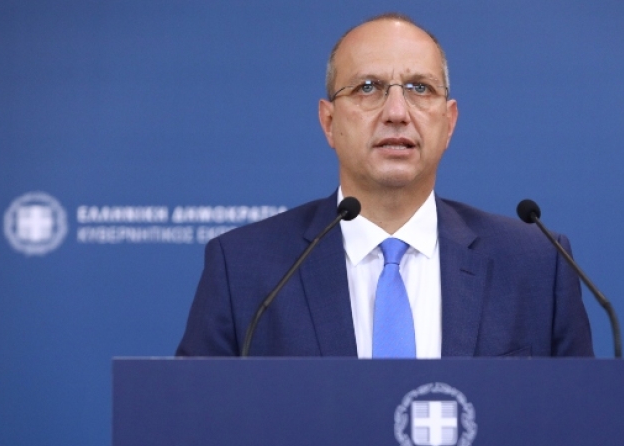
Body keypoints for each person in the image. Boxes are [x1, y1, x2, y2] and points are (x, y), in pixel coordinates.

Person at [176, 13, 593, 358]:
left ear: (449, 122)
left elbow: (578, 415)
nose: (396, 112)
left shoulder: (537, 264)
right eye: (368, 87)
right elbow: (194, 416)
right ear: (329, 122)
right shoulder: (245, 268)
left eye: (419, 88)